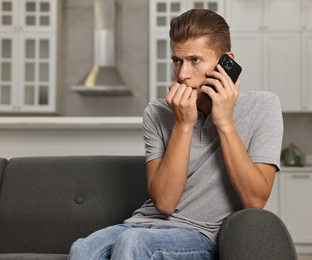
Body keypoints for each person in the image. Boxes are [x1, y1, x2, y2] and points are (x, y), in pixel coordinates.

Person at [68, 8, 283, 260]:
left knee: (134, 243)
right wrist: (183, 124)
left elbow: (255, 200)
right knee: (82, 248)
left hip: (200, 234)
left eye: (195, 60)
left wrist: (224, 121)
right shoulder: (157, 112)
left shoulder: (263, 106)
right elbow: (165, 203)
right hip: (141, 225)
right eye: (177, 61)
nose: (182, 74)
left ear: (227, 62)